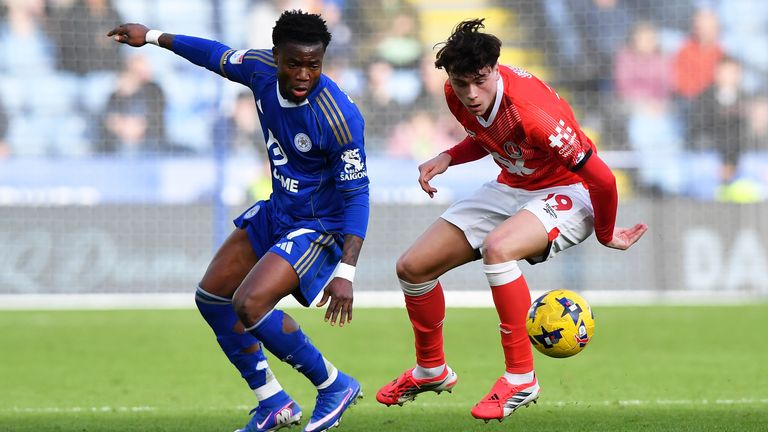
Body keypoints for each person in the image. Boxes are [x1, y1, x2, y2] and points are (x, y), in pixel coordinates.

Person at [108, 10, 369, 432]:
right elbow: (214, 55)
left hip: (319, 226)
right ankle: (274, 402)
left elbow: (357, 195)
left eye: (314, 65)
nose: (304, 75)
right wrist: (153, 36)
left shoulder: (338, 117)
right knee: (212, 297)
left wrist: (346, 272)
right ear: (276, 56)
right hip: (278, 210)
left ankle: (334, 385)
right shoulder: (259, 68)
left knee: (249, 303)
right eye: (294, 63)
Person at [375, 19, 647, 422]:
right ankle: (431, 369)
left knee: (498, 249)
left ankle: (521, 378)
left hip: (570, 191)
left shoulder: (533, 112)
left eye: (479, 81)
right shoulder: (454, 94)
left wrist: (606, 234)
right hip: (513, 184)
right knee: (412, 267)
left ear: (495, 69)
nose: (471, 93)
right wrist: (448, 156)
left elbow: (602, 179)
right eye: (461, 83)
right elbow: (488, 138)